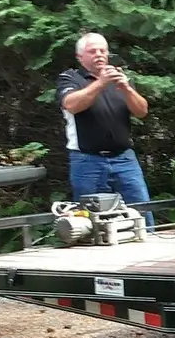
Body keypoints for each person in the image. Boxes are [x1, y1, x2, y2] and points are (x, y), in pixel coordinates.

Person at [57, 32, 154, 225]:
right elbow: (72, 105)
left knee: (141, 212)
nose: (99, 54)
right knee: (90, 219)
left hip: (124, 159)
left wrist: (126, 88)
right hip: (87, 160)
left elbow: (142, 111)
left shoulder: (121, 78)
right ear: (80, 57)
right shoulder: (70, 78)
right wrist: (101, 83)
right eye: (92, 51)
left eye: (103, 50)